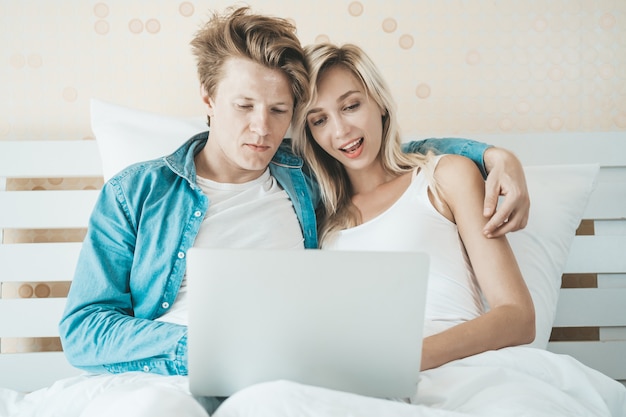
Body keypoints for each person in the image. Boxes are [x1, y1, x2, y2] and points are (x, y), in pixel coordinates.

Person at [56, 7, 529, 417]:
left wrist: (491, 155)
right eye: (243, 105)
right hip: (170, 374)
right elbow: (83, 329)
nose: (261, 129)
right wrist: (200, 348)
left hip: (284, 383)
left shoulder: (304, 178)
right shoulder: (137, 191)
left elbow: (386, 156)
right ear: (208, 97)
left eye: (280, 111)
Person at [291, 42, 535, 372]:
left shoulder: (445, 177)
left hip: (458, 371)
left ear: (379, 102)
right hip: (364, 380)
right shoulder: (320, 221)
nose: (340, 130)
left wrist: (410, 358)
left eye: (350, 106)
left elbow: (518, 316)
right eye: (318, 120)